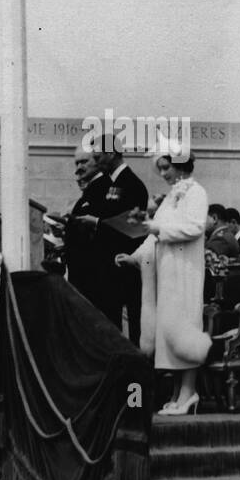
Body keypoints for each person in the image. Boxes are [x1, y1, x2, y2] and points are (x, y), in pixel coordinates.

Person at [117, 152, 212, 415]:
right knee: (171, 329)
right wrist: (134, 256)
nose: (163, 174)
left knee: (186, 327)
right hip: (168, 270)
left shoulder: (196, 192)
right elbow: (153, 233)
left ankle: (189, 392)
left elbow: (194, 227)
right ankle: (177, 392)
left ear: (181, 165)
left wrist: (157, 230)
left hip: (186, 269)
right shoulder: (171, 197)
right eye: (160, 168)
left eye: (166, 167)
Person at [93, 138, 150, 344]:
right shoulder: (111, 184)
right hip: (111, 265)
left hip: (125, 264)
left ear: (111, 154)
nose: (95, 161)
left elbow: (132, 226)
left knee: (133, 321)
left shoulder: (132, 184)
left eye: (98, 157)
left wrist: (97, 223)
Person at [63, 145, 112, 310]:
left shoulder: (105, 187)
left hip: (93, 273)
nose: (79, 168)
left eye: (84, 161)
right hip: (82, 271)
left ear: (97, 161)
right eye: (76, 163)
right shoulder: (91, 189)